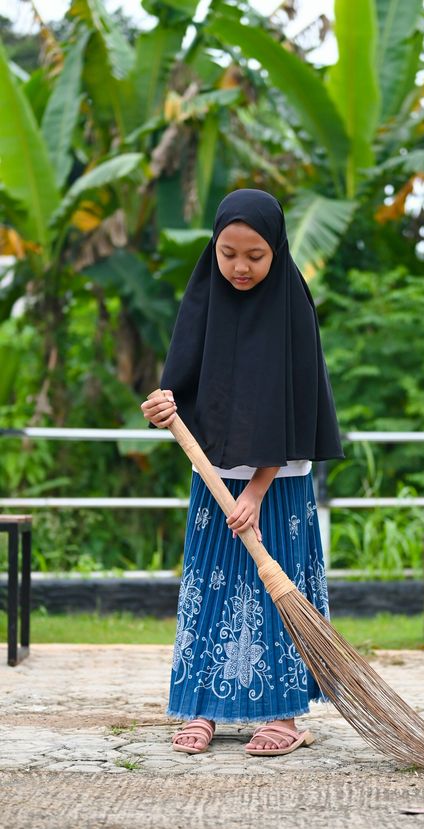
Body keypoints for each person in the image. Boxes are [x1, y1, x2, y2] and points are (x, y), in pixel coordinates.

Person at [141, 188, 343, 757]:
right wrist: (162, 407)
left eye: (255, 255)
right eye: (227, 253)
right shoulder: (206, 295)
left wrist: (256, 488)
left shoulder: (291, 307)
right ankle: (201, 708)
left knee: (276, 588)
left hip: (278, 483)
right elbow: (181, 386)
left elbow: (294, 406)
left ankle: (283, 715)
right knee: (211, 582)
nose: (239, 267)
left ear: (276, 248)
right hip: (214, 475)